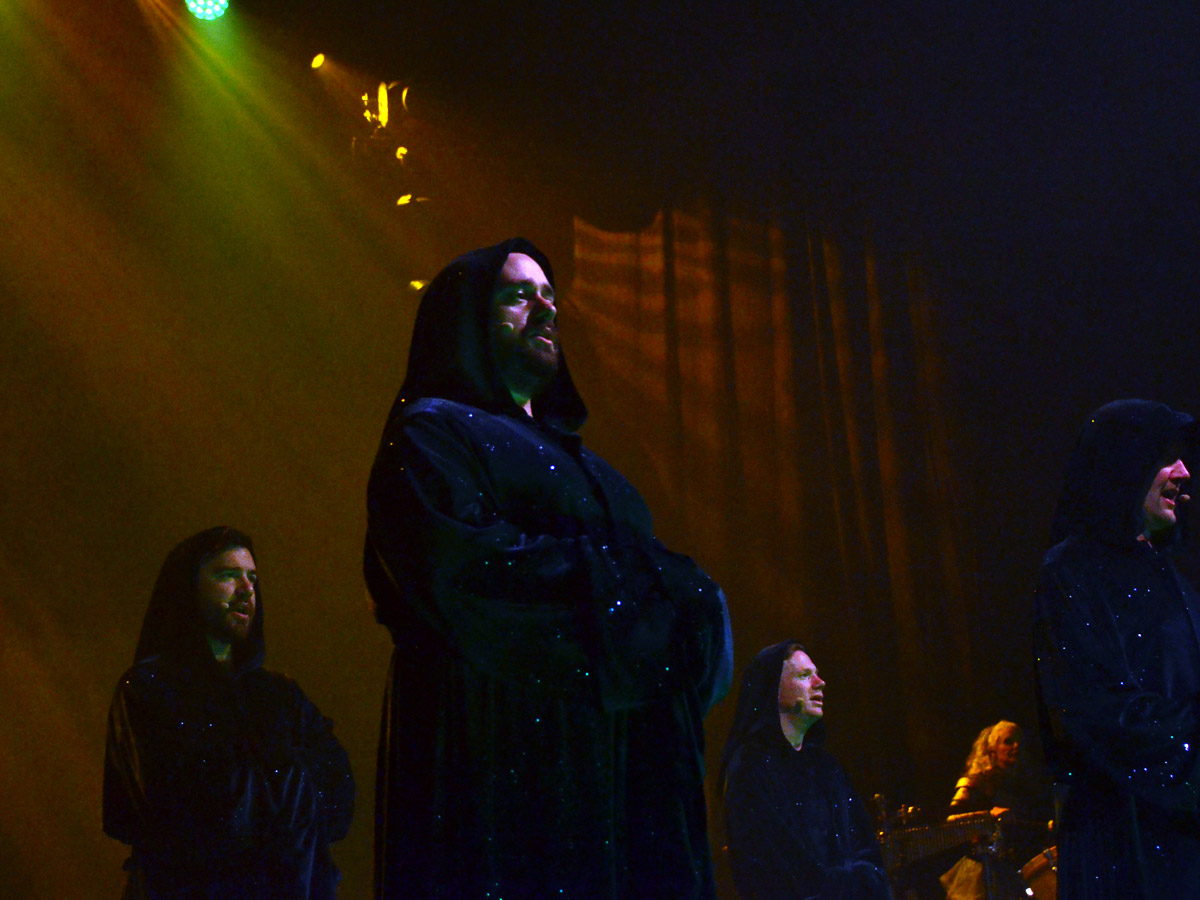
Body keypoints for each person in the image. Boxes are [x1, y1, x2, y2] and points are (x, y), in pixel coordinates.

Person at [363, 238, 734, 899]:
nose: (546, 309)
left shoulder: (599, 473)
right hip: (500, 763)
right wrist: (652, 593)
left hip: (623, 777)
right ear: (465, 322)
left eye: (550, 295)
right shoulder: (430, 434)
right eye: (517, 295)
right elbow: (468, 575)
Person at [103, 527, 355, 900]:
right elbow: (183, 809)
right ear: (187, 587)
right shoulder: (148, 689)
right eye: (227, 575)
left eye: (252, 577)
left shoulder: (281, 694)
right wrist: (288, 780)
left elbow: (340, 795)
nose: (247, 589)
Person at [1034, 398, 1200, 900]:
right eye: (1165, 457)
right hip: (1125, 845)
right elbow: (1097, 710)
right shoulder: (1071, 572)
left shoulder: (1172, 579)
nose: (1184, 472)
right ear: (1124, 464)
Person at [719, 641, 893, 900]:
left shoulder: (827, 767)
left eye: (817, 674)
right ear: (772, 688)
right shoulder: (750, 769)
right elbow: (779, 873)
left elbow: (867, 850)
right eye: (804, 675)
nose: (820, 682)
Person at [940, 721, 1050, 900]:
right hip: (983, 873)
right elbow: (951, 819)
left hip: (1012, 870)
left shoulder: (1020, 785)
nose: (1016, 746)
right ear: (992, 748)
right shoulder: (975, 781)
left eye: (1019, 742)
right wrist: (989, 816)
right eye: (1008, 742)